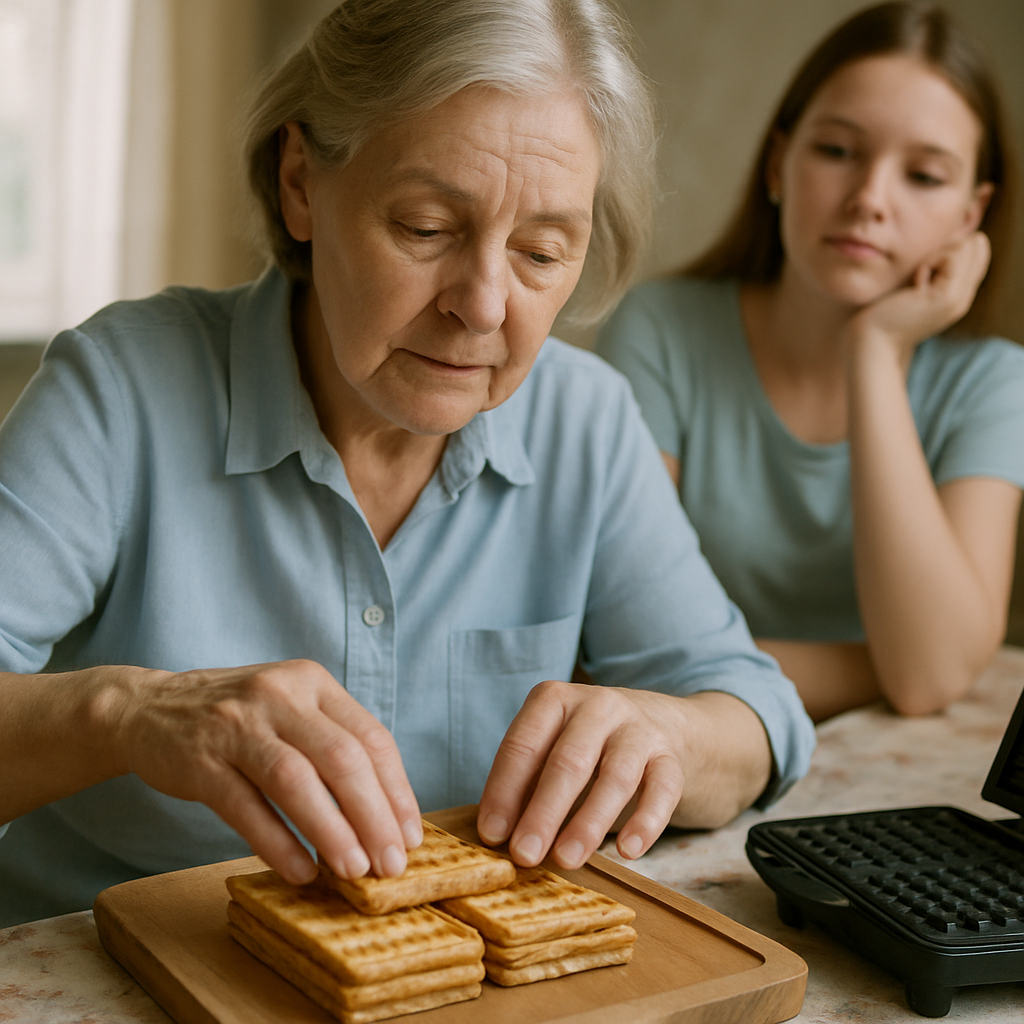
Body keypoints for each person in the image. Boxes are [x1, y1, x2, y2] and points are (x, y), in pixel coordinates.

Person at [0, 0, 814, 928]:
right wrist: (129, 714)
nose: (482, 305)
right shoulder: (119, 390)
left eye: (542, 253)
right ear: (302, 181)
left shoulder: (587, 420)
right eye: (426, 228)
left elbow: (755, 714)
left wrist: (670, 731)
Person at [597, 1, 1024, 725]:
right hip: (687, 755)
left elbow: (925, 679)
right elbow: (628, 650)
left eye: (923, 175)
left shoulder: (996, 383)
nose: (869, 200)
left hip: (885, 791)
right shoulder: (662, 330)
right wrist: (878, 666)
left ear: (970, 215)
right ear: (777, 164)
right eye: (837, 151)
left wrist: (875, 352)